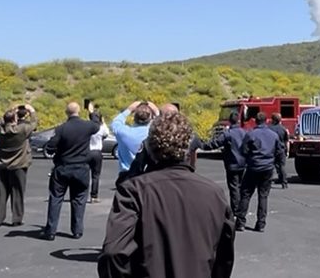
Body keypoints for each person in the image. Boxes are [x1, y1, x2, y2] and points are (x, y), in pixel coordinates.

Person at [98, 112, 235, 278]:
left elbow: (114, 254)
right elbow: (224, 257)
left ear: (150, 150)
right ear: (190, 151)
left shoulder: (134, 191)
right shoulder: (214, 194)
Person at [41, 102, 99, 241]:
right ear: (79, 111)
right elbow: (97, 125)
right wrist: (92, 112)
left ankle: (51, 230)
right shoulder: (87, 126)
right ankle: (77, 230)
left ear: (66, 113)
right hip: (81, 167)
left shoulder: (62, 128)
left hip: (63, 167)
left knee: (56, 198)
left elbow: (50, 146)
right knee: (79, 199)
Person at [235, 112, 284, 233]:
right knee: (263, 195)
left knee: (245, 194)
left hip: (253, 167)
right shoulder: (273, 135)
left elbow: (243, 150)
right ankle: (261, 224)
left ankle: (241, 222)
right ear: (266, 121)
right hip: (267, 168)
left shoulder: (251, 134)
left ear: (255, 121)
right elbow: (279, 151)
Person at [0, 104, 37, 226]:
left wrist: (10, 112)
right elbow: (34, 124)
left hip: (2, 165)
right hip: (19, 164)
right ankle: (17, 219)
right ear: (15, 119)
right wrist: (31, 111)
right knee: (17, 191)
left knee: (1, 192)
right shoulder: (22, 130)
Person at [202, 110, 247, 217]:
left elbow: (215, 143)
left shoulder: (228, 134)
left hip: (232, 164)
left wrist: (203, 145)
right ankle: (241, 207)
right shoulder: (244, 132)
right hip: (243, 163)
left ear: (229, 121)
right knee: (240, 186)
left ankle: (235, 210)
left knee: (234, 187)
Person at [110, 101, 157, 184]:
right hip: (148, 176)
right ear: (150, 118)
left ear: (134, 117)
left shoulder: (123, 132)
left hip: (127, 177)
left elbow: (115, 123)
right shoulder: (154, 133)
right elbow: (167, 126)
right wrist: (157, 112)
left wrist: (128, 110)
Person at [87, 102, 109, 203]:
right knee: (95, 175)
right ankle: (94, 196)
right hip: (97, 152)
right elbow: (107, 133)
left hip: (87, 151)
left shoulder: (87, 127)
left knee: (85, 174)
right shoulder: (101, 128)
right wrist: (103, 122)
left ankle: (81, 194)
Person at [268, 112, 289, 188]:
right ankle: (284, 183)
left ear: (272, 120)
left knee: (271, 166)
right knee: (282, 166)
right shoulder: (283, 129)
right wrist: (287, 151)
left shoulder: (269, 128)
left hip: (272, 150)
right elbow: (286, 141)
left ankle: (269, 182)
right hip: (281, 150)